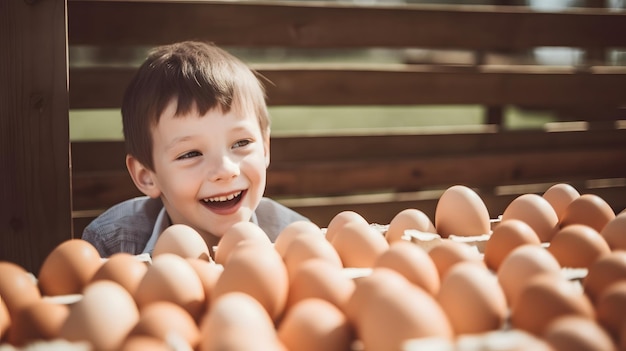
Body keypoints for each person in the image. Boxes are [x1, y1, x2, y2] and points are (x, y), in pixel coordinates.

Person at [82, 41, 309, 258]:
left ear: (265, 148)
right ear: (147, 176)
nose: (226, 170)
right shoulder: (113, 245)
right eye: (190, 154)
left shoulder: (295, 240)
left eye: (241, 143)